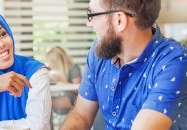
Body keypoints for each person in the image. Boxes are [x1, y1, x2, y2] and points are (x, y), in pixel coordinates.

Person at [61, 0, 187, 130]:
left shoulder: (175, 62)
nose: (89, 23)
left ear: (119, 20)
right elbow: (81, 116)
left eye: (92, 14)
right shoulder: (99, 51)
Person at [46, 46, 82, 130]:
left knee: (47, 102)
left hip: (73, 99)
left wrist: (60, 81)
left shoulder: (73, 68)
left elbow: (79, 89)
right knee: (45, 100)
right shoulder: (54, 70)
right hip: (62, 95)